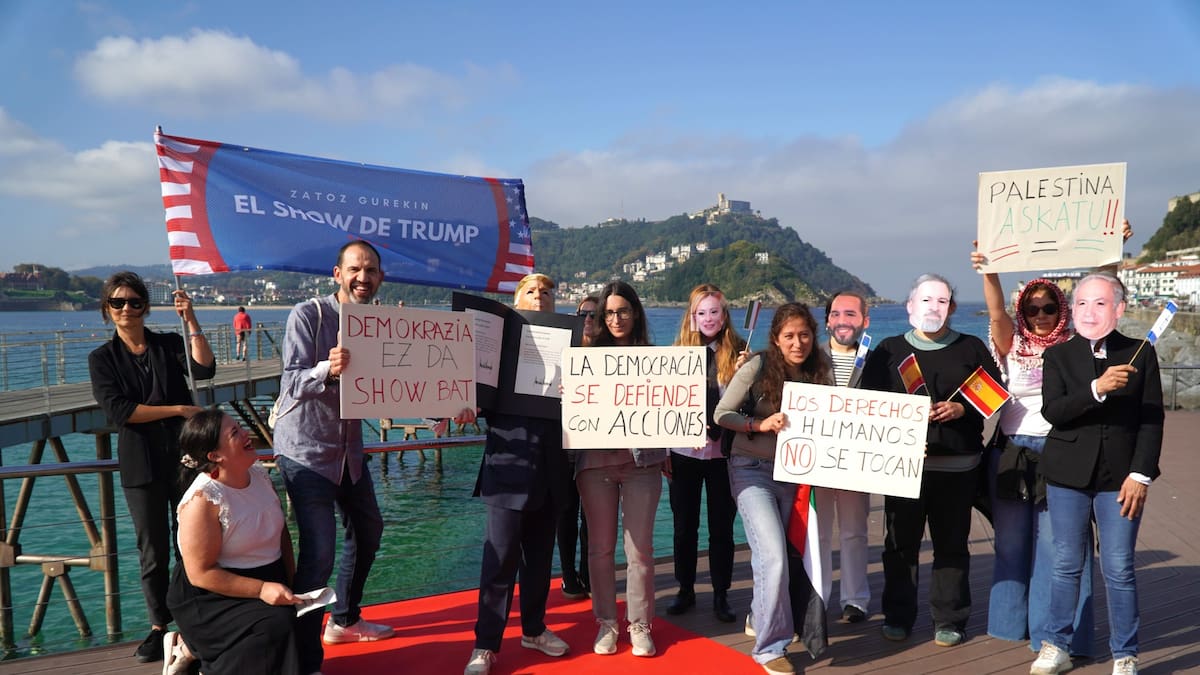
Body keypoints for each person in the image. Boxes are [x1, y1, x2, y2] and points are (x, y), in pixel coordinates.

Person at [1030, 272, 1164, 675]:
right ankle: (1056, 645)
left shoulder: (1140, 352)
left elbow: (1151, 420)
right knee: (1065, 563)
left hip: (1121, 480)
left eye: (1100, 303)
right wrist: (1096, 388)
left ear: (1119, 308)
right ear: (1073, 310)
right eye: (1082, 303)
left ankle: (1125, 654)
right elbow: (1054, 412)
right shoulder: (1058, 355)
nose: (1089, 311)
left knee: (1119, 567)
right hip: (1067, 476)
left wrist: (1141, 475)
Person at [272, 240, 394, 675]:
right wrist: (328, 368)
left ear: (381, 278)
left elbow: (400, 381)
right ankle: (305, 661)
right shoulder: (308, 315)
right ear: (337, 274)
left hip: (349, 453)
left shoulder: (381, 324)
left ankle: (344, 619)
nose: (364, 277)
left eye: (371, 270)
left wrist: (444, 407)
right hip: (305, 452)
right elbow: (291, 383)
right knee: (319, 553)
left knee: (369, 530)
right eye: (355, 269)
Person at [861, 273, 1000, 648]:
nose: (933, 307)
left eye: (941, 301)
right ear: (910, 306)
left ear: (952, 308)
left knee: (951, 546)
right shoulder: (889, 350)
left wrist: (962, 408)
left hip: (958, 467)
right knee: (899, 546)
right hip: (902, 469)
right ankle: (897, 616)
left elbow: (995, 393)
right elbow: (867, 405)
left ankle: (950, 619)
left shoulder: (971, 347)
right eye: (925, 300)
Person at [970, 248, 1095, 659]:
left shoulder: (1077, 345)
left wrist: (1110, 256)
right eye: (1032, 308)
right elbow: (995, 313)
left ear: (1062, 309)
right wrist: (989, 270)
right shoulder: (1012, 342)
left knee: (1057, 547)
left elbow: (1102, 302)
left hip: (1061, 451)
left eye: (1048, 307)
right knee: (1010, 543)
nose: (1040, 315)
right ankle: (1007, 626)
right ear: (1022, 312)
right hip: (1012, 451)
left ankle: (1050, 635)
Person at [88, 271, 215, 663]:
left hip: (183, 458)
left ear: (146, 306)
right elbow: (121, 411)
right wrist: (177, 409)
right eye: (118, 302)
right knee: (153, 550)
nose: (127, 308)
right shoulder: (102, 359)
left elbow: (204, 368)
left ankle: (194, 617)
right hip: (140, 463)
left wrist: (191, 319)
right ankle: (160, 626)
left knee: (190, 541)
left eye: (135, 301)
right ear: (107, 309)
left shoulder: (169, 344)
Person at [716, 302, 832, 675]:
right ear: (776, 339)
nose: (798, 343)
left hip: (796, 476)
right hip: (751, 470)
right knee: (773, 555)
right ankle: (769, 649)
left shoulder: (821, 370)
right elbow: (722, 414)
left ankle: (759, 614)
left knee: (783, 556)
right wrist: (758, 425)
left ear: (813, 335)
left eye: (805, 335)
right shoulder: (757, 366)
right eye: (789, 336)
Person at [465, 273, 571, 675]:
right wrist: (458, 406)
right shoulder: (495, 345)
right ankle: (485, 644)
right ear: (517, 300)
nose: (540, 296)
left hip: (552, 469)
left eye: (546, 291)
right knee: (499, 561)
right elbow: (471, 393)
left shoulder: (572, 348)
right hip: (507, 468)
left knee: (540, 561)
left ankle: (534, 629)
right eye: (531, 291)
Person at [166, 409, 301, 675]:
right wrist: (262, 589)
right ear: (215, 456)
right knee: (274, 625)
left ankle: (189, 650)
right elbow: (201, 573)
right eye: (235, 433)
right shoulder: (203, 500)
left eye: (240, 427)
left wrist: (291, 578)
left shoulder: (259, 474)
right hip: (213, 594)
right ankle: (189, 647)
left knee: (293, 620)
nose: (246, 434)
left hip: (267, 577)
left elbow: (280, 533)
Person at [576, 280, 665, 658]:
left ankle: (640, 624)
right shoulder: (584, 358)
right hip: (594, 465)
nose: (616, 319)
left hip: (643, 463)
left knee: (640, 550)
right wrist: (568, 393)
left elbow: (669, 409)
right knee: (599, 549)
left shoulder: (656, 359)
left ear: (635, 313)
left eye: (623, 311)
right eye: (609, 313)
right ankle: (607, 623)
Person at [665, 284, 744, 624]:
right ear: (692, 317)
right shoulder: (675, 354)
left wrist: (748, 372)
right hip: (684, 453)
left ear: (724, 315)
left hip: (723, 455)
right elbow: (663, 405)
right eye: (702, 312)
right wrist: (663, 450)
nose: (708, 318)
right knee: (684, 526)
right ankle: (685, 588)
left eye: (714, 311)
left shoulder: (741, 353)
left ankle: (721, 593)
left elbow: (750, 402)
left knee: (722, 528)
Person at [816, 291, 872, 624]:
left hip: (857, 461)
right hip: (817, 460)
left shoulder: (876, 360)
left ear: (865, 320)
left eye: (850, 314)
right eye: (836, 314)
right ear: (827, 321)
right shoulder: (810, 358)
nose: (842, 321)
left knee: (854, 531)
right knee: (818, 534)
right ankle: (818, 598)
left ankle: (855, 599)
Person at [556, 295, 599, 600]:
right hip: (567, 444)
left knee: (594, 515)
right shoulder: (562, 352)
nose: (588, 319)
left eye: (595, 314)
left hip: (598, 447)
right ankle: (569, 576)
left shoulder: (614, 356)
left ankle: (589, 574)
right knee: (567, 512)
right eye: (583, 313)